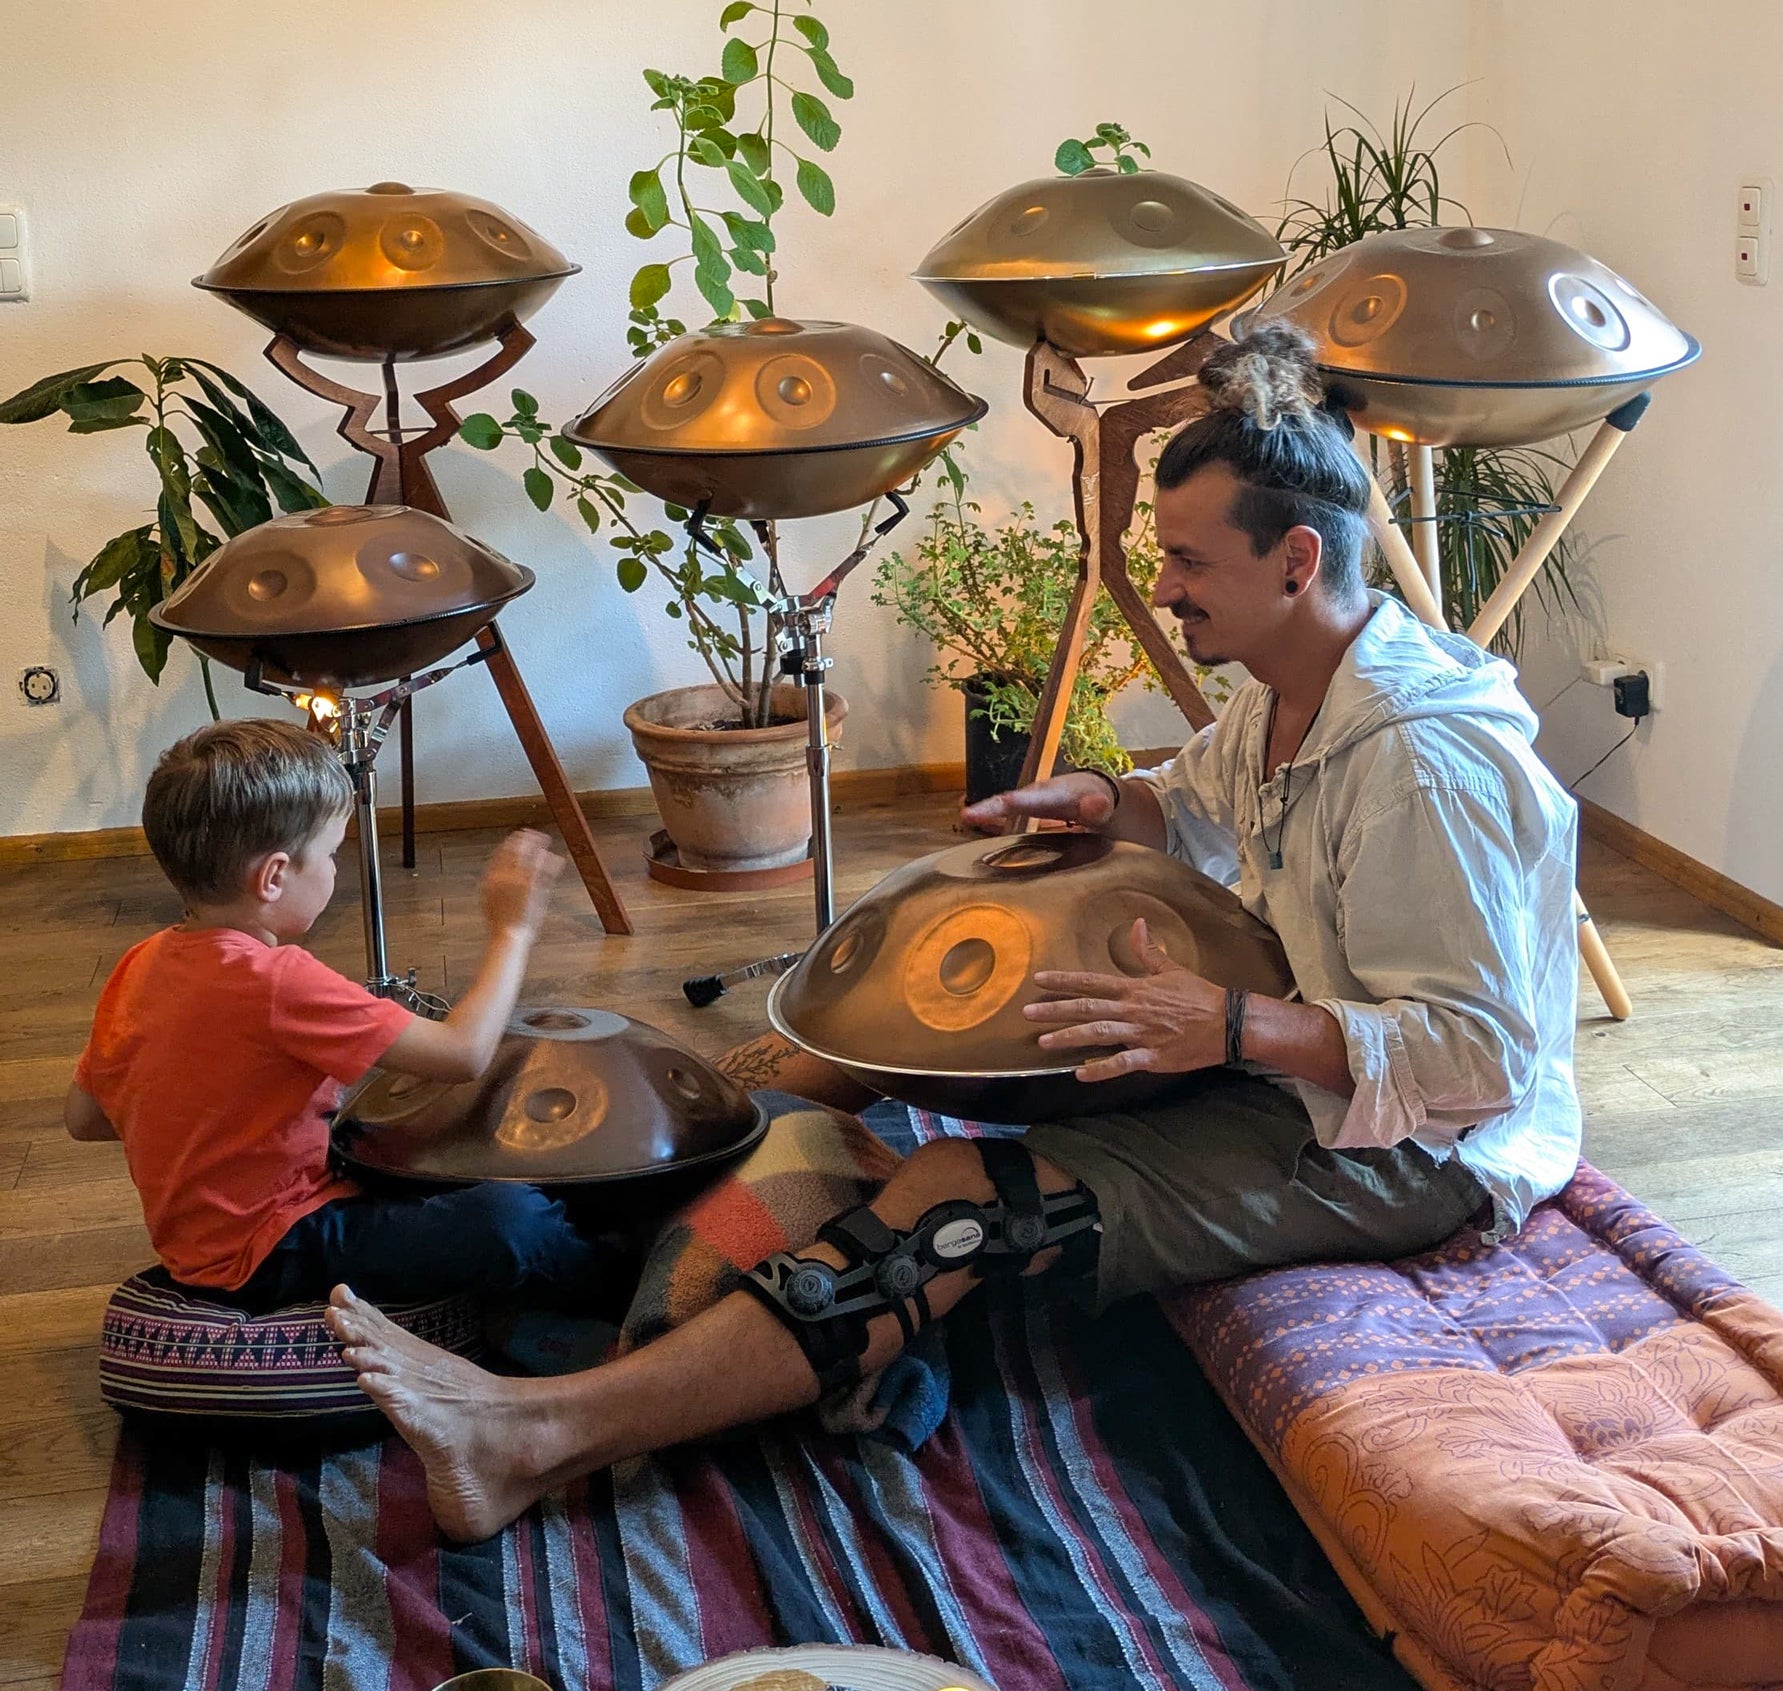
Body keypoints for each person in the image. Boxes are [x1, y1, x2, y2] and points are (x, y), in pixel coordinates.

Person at [324, 321, 1582, 1540]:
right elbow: (1194, 804)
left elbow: (1482, 1062)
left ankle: (535, 1436)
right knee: (866, 1040)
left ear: (1296, 562)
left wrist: (1232, 1025)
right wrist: (1104, 801)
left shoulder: (1424, 766)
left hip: (1405, 1149)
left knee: (953, 1194)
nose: (1163, 587)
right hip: (1282, 1056)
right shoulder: (1286, 694)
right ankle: (561, 1227)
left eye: (1190, 562)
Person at [65, 717, 605, 1310]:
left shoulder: (137, 964)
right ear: (273, 877)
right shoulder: (276, 981)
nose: (335, 868)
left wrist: (206, 1118)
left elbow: (84, 1118)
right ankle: (612, 1294)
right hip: (280, 1249)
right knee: (512, 1218)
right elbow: (464, 1053)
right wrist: (513, 928)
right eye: (329, 853)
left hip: (198, 1246)